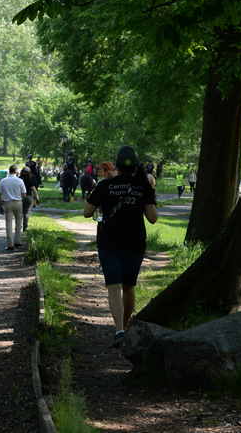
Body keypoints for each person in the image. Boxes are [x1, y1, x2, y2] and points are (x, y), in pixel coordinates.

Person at [84, 146, 158, 345]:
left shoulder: (105, 185)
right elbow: (153, 218)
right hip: (135, 241)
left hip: (108, 241)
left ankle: (119, 330)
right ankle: (124, 326)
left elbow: (87, 212)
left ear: (116, 164)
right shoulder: (142, 186)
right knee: (129, 286)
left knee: (113, 286)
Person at [0, 165, 27, 250]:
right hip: (18, 202)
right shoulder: (20, 181)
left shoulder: (3, 181)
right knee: (19, 223)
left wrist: (0, 202)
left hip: (7, 203)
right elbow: (24, 194)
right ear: (16, 171)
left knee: (8, 224)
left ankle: (10, 244)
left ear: (9, 171)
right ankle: (18, 241)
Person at [19, 166, 40, 233]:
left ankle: (18, 227)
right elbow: (33, 189)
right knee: (26, 213)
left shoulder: (19, 178)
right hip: (28, 197)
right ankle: (25, 228)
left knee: (20, 213)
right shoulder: (31, 178)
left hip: (20, 197)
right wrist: (37, 198)